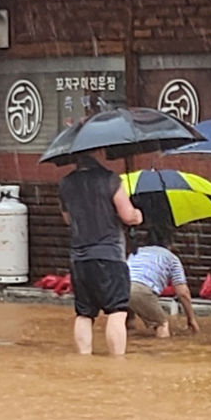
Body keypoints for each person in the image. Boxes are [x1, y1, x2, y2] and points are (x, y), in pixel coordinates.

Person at [58, 148, 143, 356]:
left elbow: (68, 219)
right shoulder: (110, 180)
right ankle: (117, 362)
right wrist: (137, 215)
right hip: (109, 256)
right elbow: (128, 215)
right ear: (97, 154)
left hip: (79, 258)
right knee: (117, 310)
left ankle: (84, 358)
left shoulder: (65, 184)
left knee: (84, 313)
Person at [127, 227, 200, 338]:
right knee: (162, 324)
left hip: (120, 288)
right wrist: (191, 319)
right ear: (169, 243)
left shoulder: (136, 253)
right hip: (140, 289)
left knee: (127, 324)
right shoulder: (172, 258)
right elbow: (183, 293)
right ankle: (162, 351)